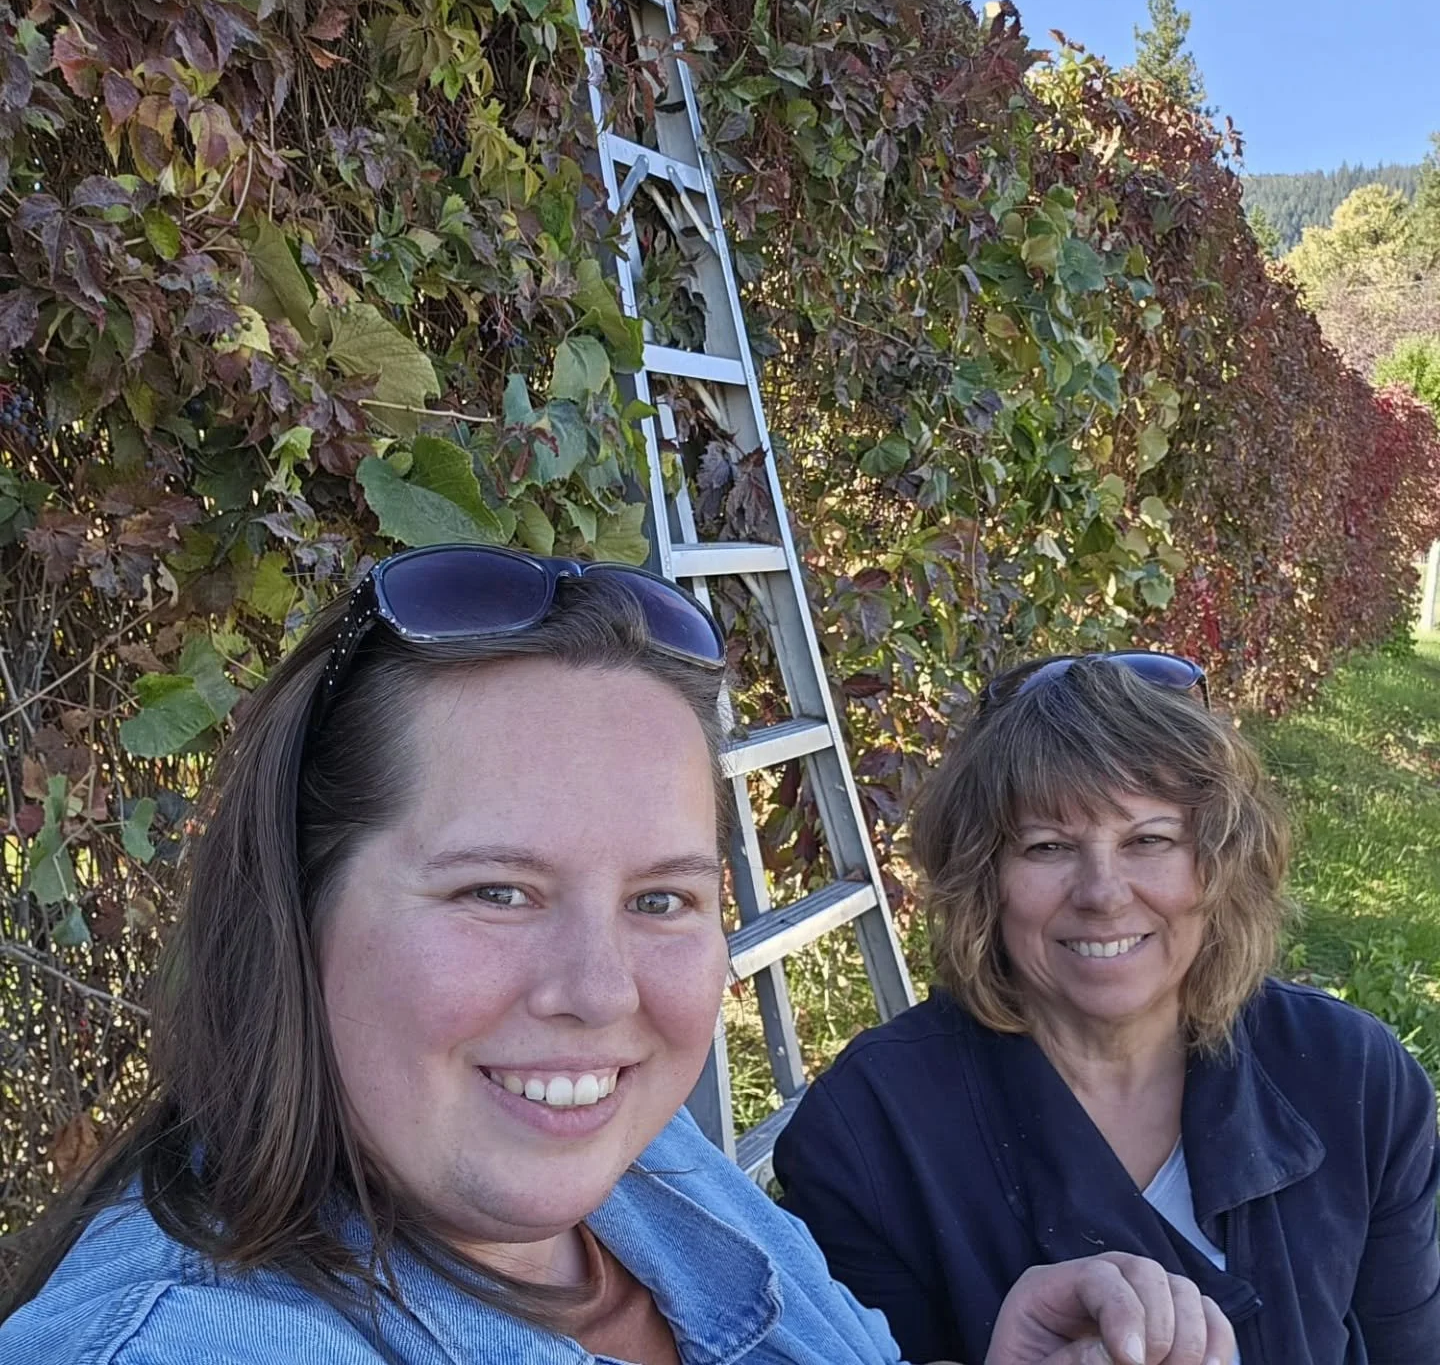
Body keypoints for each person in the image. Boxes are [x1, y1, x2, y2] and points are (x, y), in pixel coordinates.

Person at [0, 557, 1233, 1365]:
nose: (600, 995)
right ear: (294, 907)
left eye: (661, 899)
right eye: (497, 889)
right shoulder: (184, 1344)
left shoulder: (642, 1168)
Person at [773, 651, 1440, 1365]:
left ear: (1218, 862)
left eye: (1148, 840)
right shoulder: (868, 1134)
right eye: (1048, 846)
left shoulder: (1356, 1079)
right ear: (982, 878)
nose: (1103, 893)